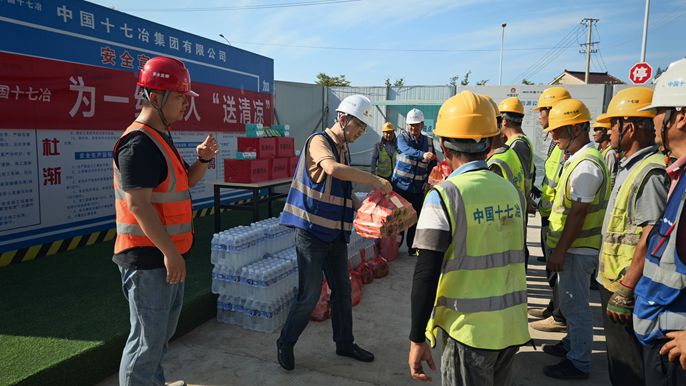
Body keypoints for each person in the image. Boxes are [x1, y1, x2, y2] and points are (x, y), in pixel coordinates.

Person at [408, 90, 529, 385]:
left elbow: (425, 272)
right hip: (511, 327)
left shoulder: (444, 195)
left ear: (442, 145)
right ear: (488, 141)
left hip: (469, 332)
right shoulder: (509, 190)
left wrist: (416, 337)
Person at [113, 56, 218, 386]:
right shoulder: (138, 144)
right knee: (145, 341)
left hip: (166, 256)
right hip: (148, 259)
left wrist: (202, 160)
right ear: (155, 98)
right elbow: (139, 206)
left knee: (160, 335)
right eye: (179, 97)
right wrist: (169, 253)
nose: (185, 105)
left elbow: (183, 182)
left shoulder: (159, 137)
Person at [278, 94, 393, 371]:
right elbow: (331, 169)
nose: (360, 133)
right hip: (311, 232)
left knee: (341, 290)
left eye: (364, 130)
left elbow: (342, 190)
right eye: (359, 127)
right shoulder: (319, 142)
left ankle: (344, 343)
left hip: (334, 234)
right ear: (343, 119)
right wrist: (374, 179)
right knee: (309, 295)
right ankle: (286, 341)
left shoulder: (343, 148)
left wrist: (367, 207)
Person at [595, 87, 667, 385]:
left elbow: (651, 235)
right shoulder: (631, 166)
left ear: (629, 127)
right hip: (614, 280)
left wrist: (626, 288)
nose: (608, 131)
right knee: (618, 360)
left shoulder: (651, 172)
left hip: (625, 286)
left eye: (612, 125)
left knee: (629, 367)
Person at [541, 98, 610, 380]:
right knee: (570, 303)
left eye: (559, 131)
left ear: (578, 129)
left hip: (578, 249)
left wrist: (560, 251)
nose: (554, 136)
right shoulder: (578, 159)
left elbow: (579, 213)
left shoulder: (586, 165)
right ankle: (572, 345)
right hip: (573, 246)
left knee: (576, 306)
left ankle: (579, 361)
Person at [633, 58, 686, 385]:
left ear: (680, 117)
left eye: (658, 110)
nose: (652, 121)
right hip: (662, 338)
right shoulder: (679, 176)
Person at [528, 87, 571, 333]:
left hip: (557, 218)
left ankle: (559, 315)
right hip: (549, 216)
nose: (540, 115)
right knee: (552, 271)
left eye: (543, 110)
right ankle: (555, 306)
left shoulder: (565, 147)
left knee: (557, 271)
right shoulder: (557, 143)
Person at [392, 108, 437, 255]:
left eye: (416, 125)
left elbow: (433, 163)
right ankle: (394, 247)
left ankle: (412, 247)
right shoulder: (402, 138)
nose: (413, 128)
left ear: (422, 125)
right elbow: (406, 150)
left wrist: (428, 180)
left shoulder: (429, 142)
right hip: (400, 186)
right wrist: (423, 154)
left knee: (414, 219)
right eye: (411, 125)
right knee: (398, 218)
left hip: (417, 188)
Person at [498, 97, 535, 204]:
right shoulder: (521, 140)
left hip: (516, 202)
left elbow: (519, 178)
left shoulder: (517, 145)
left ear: (504, 121)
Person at [592, 114, 618, 188]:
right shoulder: (600, 151)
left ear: (604, 131)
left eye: (597, 130)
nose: (594, 134)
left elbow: (611, 179)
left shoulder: (610, 153)